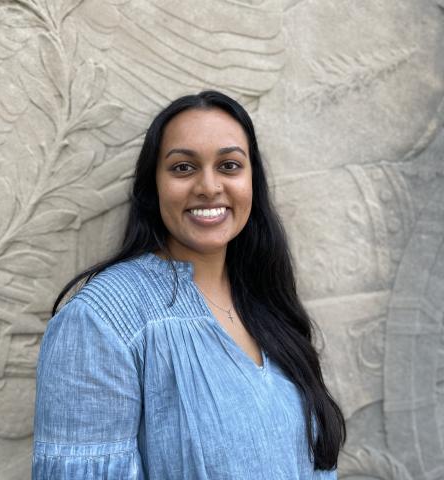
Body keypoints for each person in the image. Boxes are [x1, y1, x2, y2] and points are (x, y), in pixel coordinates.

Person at [32, 90, 346, 479]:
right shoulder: (101, 322)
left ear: (252, 183)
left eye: (230, 166)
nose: (209, 186)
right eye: (183, 168)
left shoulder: (268, 304)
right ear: (154, 186)